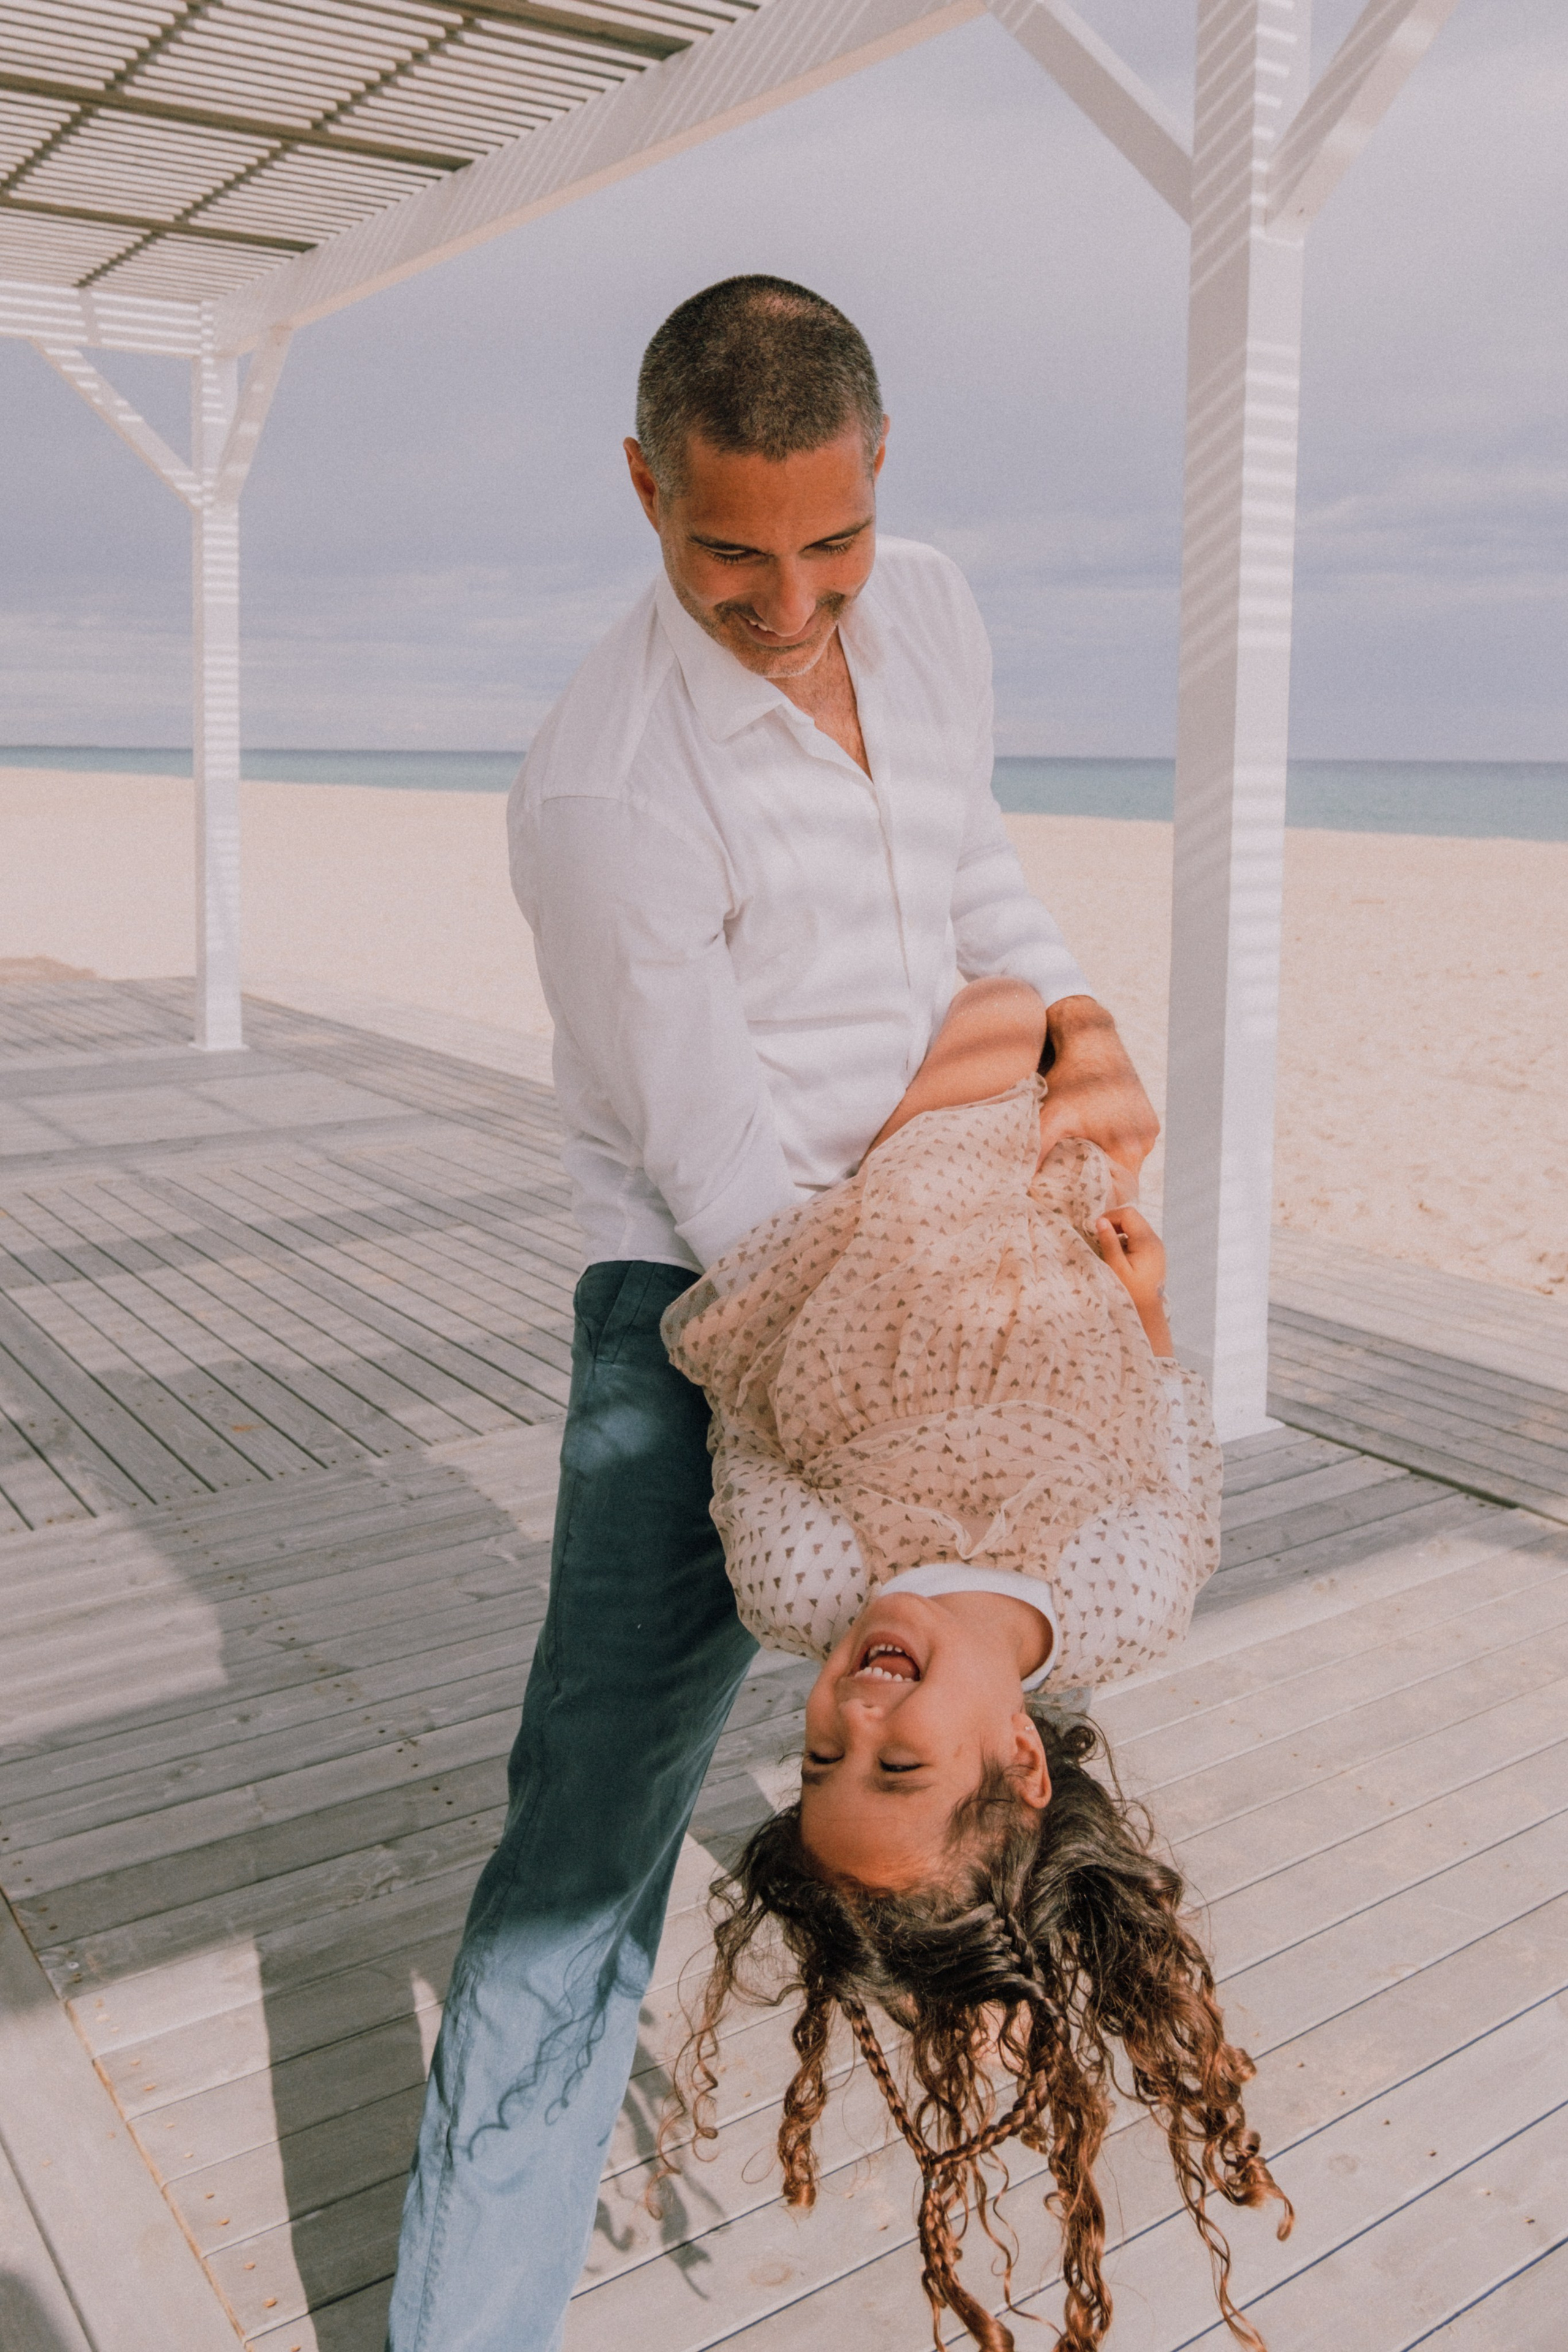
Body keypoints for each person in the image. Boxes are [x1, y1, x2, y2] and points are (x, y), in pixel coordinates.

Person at [386, 274, 1161, 2352]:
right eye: (732, 552)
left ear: (880, 471)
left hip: (948, 1238)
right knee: (587, 1849)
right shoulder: (606, 793)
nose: (792, 601)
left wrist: (1075, 1022)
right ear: (646, 489)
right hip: (713, 1304)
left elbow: (979, 877)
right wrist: (923, 1436)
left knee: (957, 1781)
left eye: (835, 541)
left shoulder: (942, 612)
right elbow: (727, 1189)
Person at [660, 978, 1291, 2350]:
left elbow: (746, 1423)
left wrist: (824, 1309)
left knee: (1003, 1013)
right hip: (1068, 1306)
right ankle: (1096, 1134)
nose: (854, 1706)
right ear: (1021, 1756)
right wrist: (1148, 1307)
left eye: (820, 1756)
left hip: (894, 1272)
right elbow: (1178, 1464)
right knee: (1080, 1116)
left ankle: (1071, 1103)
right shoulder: (1124, 1609)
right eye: (898, 1760)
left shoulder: (804, 1585)